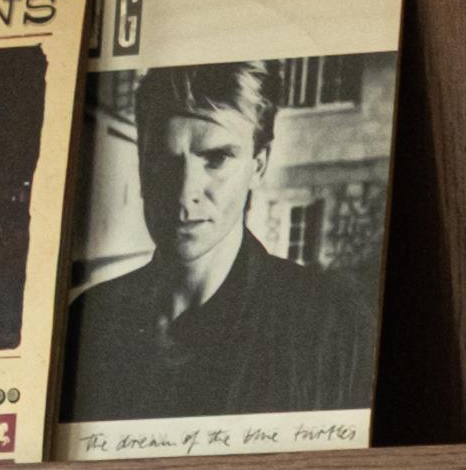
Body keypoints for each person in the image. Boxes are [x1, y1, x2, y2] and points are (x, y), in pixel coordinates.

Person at [59, 62, 367, 421]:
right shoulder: (90, 318)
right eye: (161, 159)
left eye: (217, 159)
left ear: (258, 165)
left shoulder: (330, 325)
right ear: (142, 167)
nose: (184, 192)